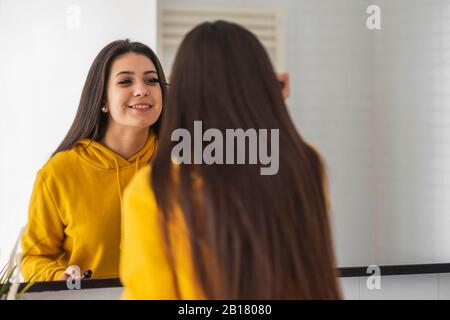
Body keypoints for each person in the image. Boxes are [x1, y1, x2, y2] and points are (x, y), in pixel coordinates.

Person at [120, 20, 341, 299]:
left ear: (183, 93)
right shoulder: (304, 164)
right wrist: (268, 105)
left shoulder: (156, 189)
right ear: (262, 86)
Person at [21, 39, 168, 281]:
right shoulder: (58, 172)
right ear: (102, 100)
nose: (142, 90)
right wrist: (59, 277)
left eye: (151, 80)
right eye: (125, 81)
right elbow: (34, 257)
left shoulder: (183, 166)